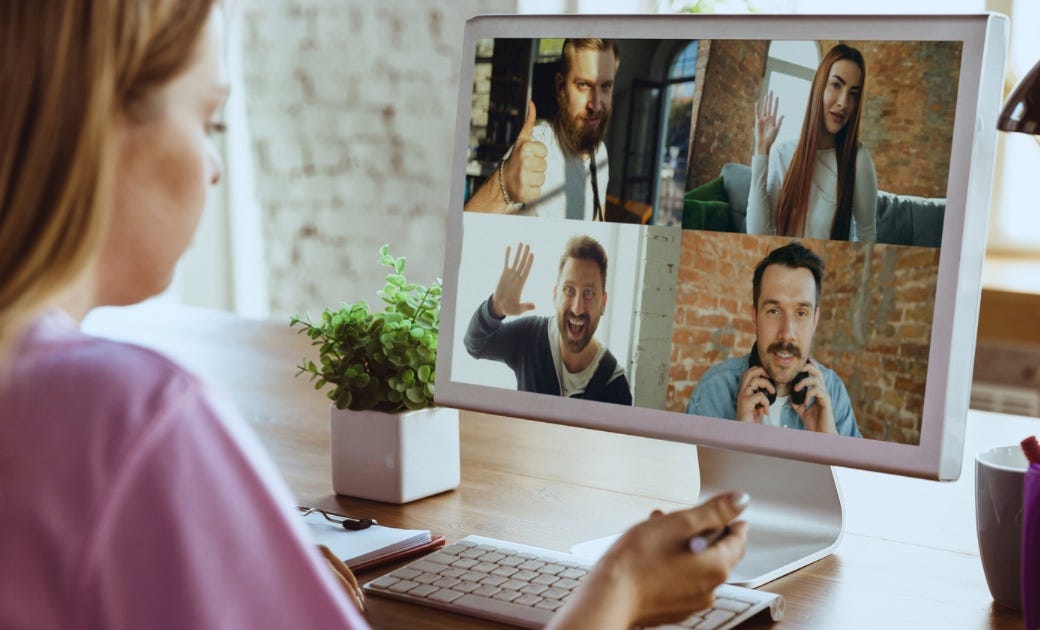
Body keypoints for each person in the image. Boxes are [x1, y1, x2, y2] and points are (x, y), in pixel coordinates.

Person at [0, 3, 746, 628]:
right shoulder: (128, 419)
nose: (214, 165)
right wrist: (615, 593)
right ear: (91, 122)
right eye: (207, 121)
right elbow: (483, 330)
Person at [686, 243, 862, 437]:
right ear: (755, 316)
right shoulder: (712, 391)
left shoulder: (834, 393)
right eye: (773, 311)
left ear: (815, 320)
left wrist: (830, 440)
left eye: (801, 313)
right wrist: (739, 437)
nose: (786, 333)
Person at [464, 237, 632, 405]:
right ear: (555, 295)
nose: (577, 308)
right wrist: (495, 308)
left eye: (588, 293)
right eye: (569, 290)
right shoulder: (530, 336)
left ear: (603, 303)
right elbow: (475, 345)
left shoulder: (616, 388)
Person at [465, 39, 619, 221]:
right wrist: (504, 186)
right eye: (583, 85)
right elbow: (463, 234)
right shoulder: (535, 147)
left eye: (605, 86)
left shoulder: (600, 154)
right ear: (560, 86)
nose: (595, 105)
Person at [747, 44, 878, 242]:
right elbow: (757, 236)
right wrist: (761, 151)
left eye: (853, 93)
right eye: (836, 85)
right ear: (819, 87)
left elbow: (866, 235)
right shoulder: (782, 154)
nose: (844, 102)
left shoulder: (858, 159)